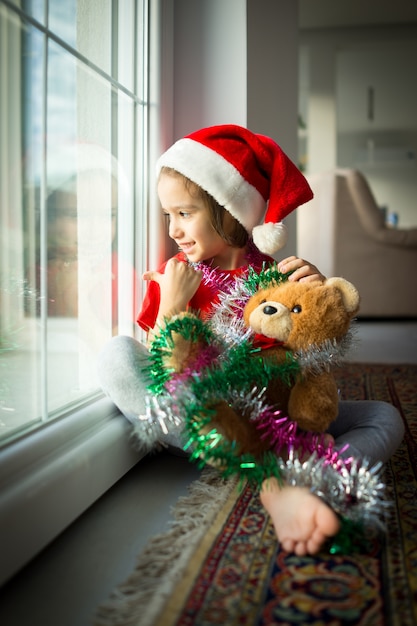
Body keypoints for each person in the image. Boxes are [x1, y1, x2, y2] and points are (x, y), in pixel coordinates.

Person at [98, 124, 404, 556]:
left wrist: (314, 293)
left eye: (185, 214)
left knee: (385, 417)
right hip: (213, 421)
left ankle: (316, 482)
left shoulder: (273, 276)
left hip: (278, 416)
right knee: (116, 356)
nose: (173, 230)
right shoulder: (175, 278)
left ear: (229, 211)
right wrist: (171, 305)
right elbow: (161, 372)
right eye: (169, 215)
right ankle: (274, 480)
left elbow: (314, 348)